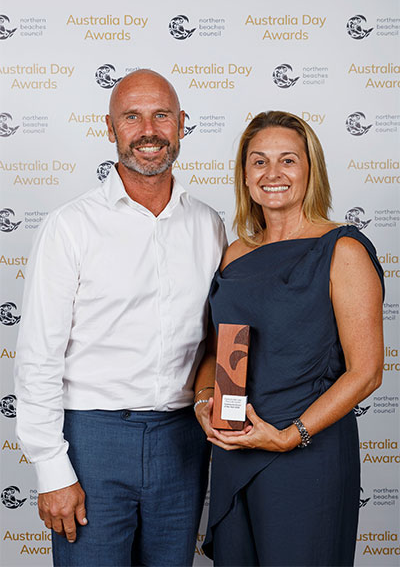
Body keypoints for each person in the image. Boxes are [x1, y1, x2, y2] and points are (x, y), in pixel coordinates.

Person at [15, 69, 226, 567]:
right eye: (131, 116)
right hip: (92, 442)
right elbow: (38, 357)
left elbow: (219, 340)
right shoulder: (70, 227)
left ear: (182, 125)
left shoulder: (209, 225)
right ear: (110, 129)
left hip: (183, 441)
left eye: (162, 115)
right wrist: (52, 470)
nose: (148, 130)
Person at [194, 111, 384, 567]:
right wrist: (205, 402)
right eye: (259, 161)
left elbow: (367, 371)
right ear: (244, 174)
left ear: (310, 170)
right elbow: (214, 348)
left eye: (288, 161)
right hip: (235, 446)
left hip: (305, 452)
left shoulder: (342, 249)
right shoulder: (233, 254)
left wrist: (289, 436)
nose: (272, 174)